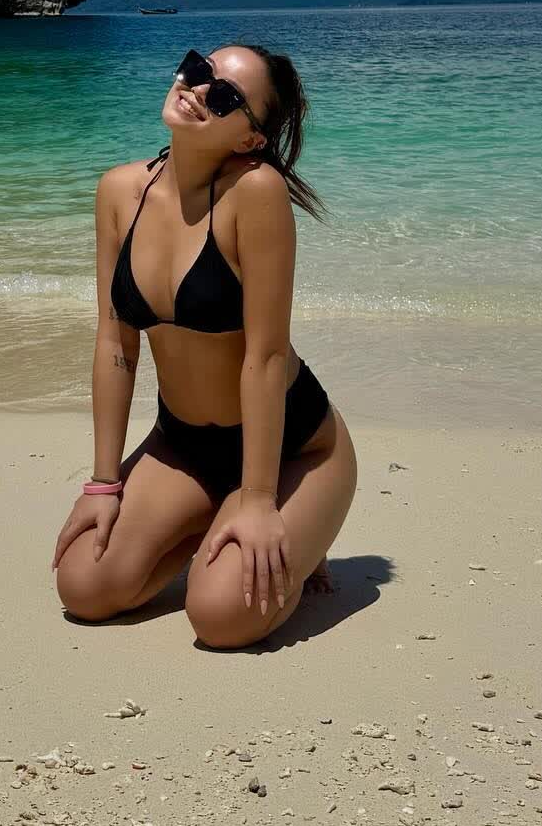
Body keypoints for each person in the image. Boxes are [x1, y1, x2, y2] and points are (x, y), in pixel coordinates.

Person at [51, 43, 358, 648]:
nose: (196, 89)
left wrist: (260, 500)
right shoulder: (118, 191)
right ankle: (212, 512)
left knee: (221, 619)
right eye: (197, 70)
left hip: (293, 450)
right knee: (83, 587)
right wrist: (104, 485)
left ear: (250, 138)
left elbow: (266, 357)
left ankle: (295, 524)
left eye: (224, 96)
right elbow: (115, 342)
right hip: (183, 445)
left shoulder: (256, 191)